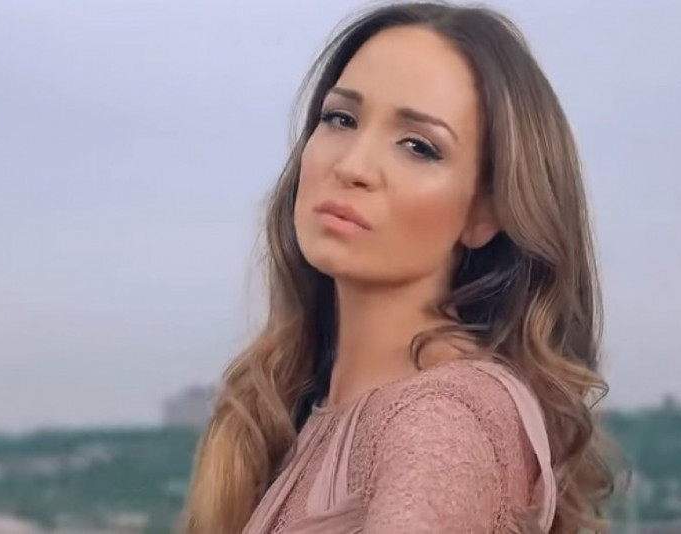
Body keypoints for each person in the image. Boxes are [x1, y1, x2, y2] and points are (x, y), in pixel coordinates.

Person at [184, 3, 613, 533]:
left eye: (419, 147)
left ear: (487, 213)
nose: (353, 166)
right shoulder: (301, 410)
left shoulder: (440, 420)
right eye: (341, 119)